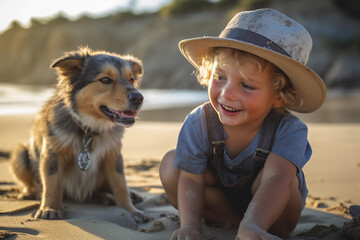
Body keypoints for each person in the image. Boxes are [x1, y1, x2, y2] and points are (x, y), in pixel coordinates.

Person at [159, 8, 326, 240]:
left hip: (276, 214)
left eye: (247, 85)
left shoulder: (290, 130)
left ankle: (252, 228)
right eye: (219, 77)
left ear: (279, 96)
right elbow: (190, 179)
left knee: (280, 180)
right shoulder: (199, 122)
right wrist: (190, 226)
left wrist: (253, 225)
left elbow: (276, 179)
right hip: (223, 205)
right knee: (171, 165)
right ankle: (238, 225)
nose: (227, 94)